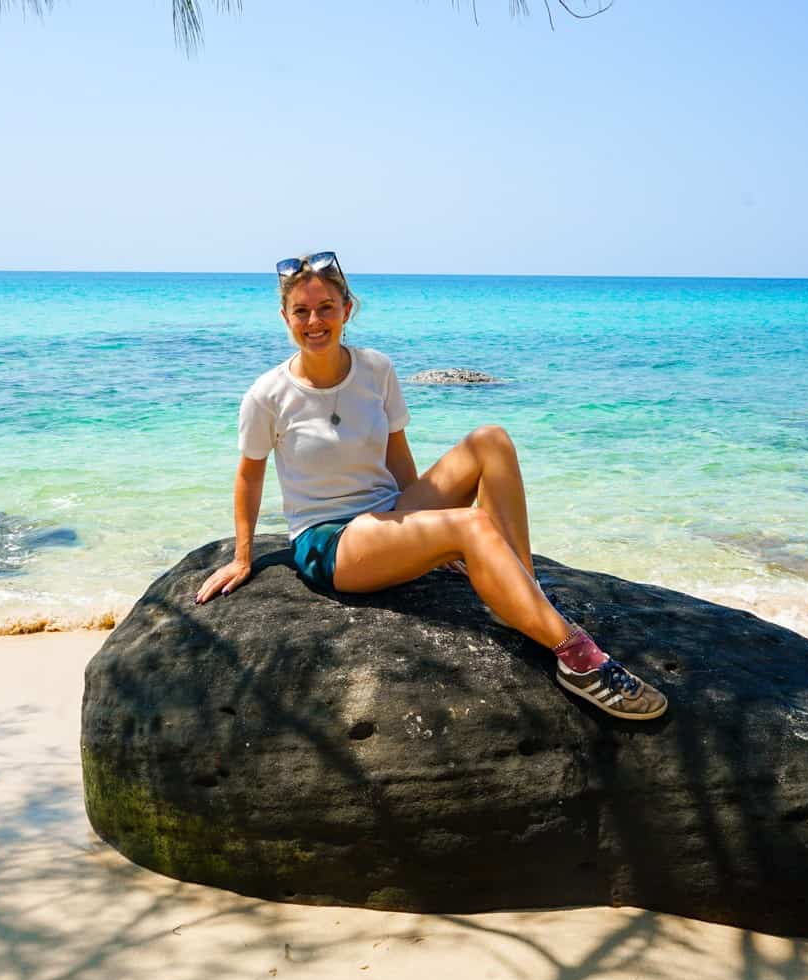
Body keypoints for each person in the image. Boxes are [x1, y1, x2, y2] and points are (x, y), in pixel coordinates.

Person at [195, 251, 667, 721]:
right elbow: (249, 475)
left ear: (347, 310)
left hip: (388, 513)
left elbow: (398, 453)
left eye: (325, 308)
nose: (314, 321)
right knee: (470, 525)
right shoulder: (267, 395)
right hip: (331, 540)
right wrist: (242, 556)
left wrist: (424, 524)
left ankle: (525, 593)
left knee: (491, 441)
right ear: (285, 317)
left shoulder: (376, 369)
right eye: (301, 311)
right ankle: (579, 660)